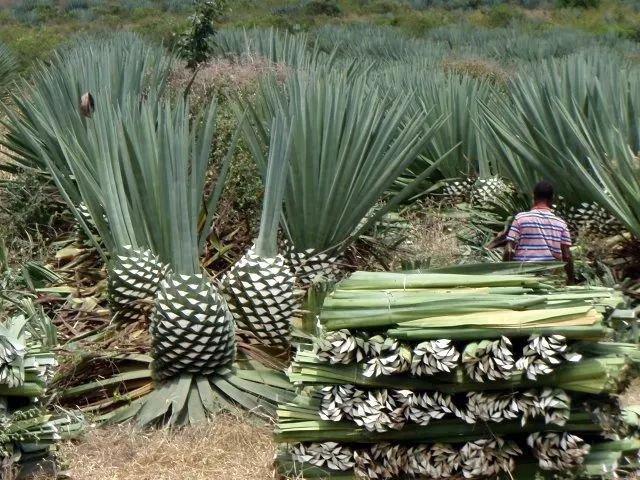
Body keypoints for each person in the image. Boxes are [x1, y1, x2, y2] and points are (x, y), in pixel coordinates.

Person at [503, 181, 575, 285]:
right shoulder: (561, 223)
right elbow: (567, 255)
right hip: (549, 277)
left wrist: (505, 274)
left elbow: (509, 251)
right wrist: (571, 280)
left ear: (533, 196)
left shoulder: (521, 218)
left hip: (522, 273)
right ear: (552, 199)